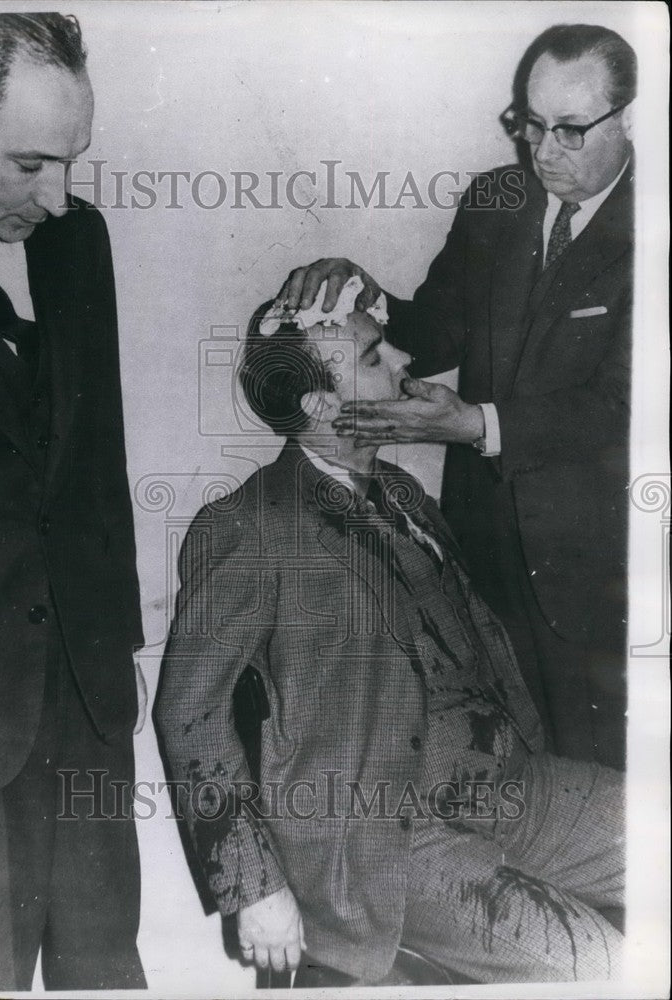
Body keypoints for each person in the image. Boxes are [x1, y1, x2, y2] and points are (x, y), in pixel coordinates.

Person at [154, 284, 625, 986]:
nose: (406, 357)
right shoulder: (250, 526)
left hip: (514, 790)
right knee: (614, 966)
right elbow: (188, 715)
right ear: (319, 405)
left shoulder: (403, 493)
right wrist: (253, 888)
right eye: (375, 355)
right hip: (392, 839)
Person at [277, 24, 635, 770]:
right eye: (530, 126)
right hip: (481, 553)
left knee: (600, 797)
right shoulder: (497, 199)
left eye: (570, 130)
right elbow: (438, 331)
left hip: (595, 573)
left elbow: (626, 407)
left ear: (629, 118)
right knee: (506, 779)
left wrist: (477, 423)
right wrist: (369, 292)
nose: (543, 152)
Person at [0, 13, 145, 990]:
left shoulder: (78, 241)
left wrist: (120, 658)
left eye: (72, 160)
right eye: (29, 164)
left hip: (83, 698)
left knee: (105, 968)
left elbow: (96, 458)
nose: (59, 196)